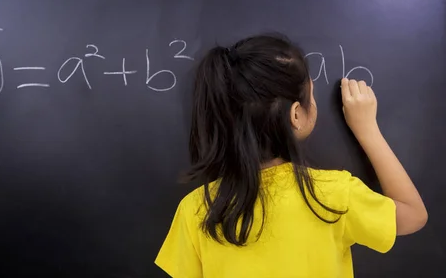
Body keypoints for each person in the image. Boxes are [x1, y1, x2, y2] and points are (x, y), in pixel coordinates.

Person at [155, 34, 427, 278]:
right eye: (312, 95)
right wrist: (367, 129)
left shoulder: (196, 209)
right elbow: (413, 216)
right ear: (296, 114)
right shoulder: (333, 196)